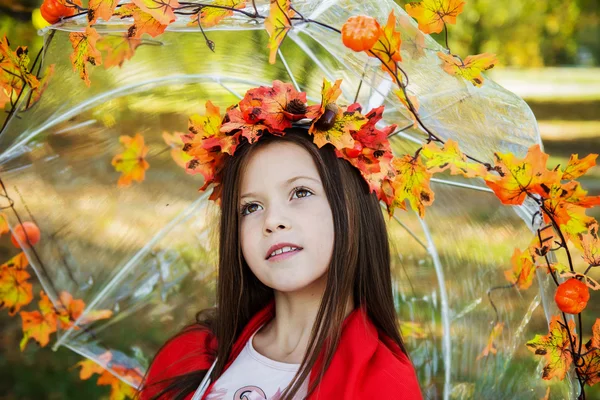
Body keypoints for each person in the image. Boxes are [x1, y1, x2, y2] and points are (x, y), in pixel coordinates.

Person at [137, 81, 423, 400]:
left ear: (353, 208)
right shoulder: (190, 357)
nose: (272, 221)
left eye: (300, 192)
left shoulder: (384, 385)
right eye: (251, 207)